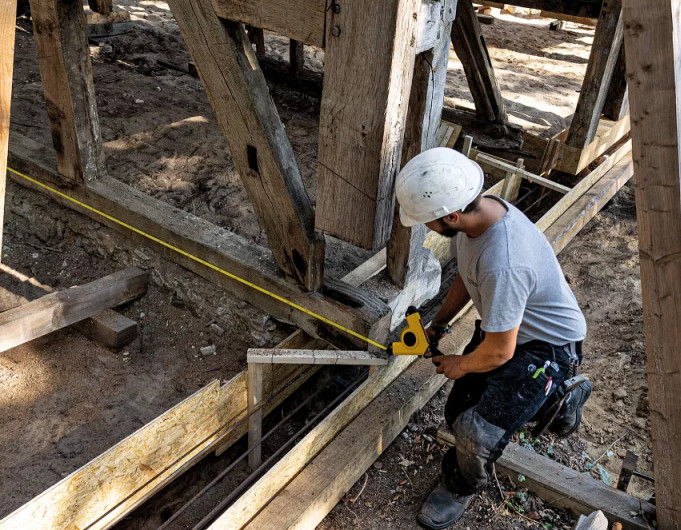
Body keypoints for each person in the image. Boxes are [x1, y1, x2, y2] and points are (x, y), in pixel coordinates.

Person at [395, 147, 592, 529]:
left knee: (475, 431)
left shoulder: (505, 261)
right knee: (456, 413)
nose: (426, 228)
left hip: (547, 347)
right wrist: (438, 323)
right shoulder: (477, 217)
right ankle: (551, 400)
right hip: (509, 328)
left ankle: (460, 485)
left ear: (450, 215)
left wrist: (459, 363)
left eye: (428, 222)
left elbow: (500, 350)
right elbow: (468, 279)